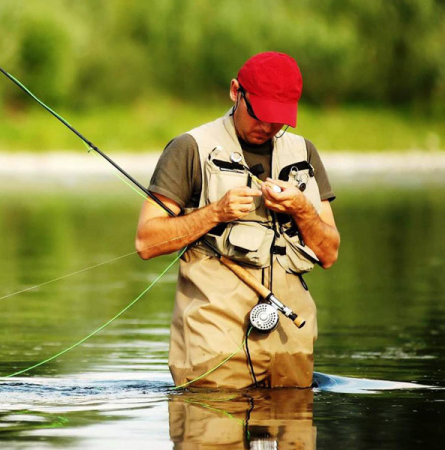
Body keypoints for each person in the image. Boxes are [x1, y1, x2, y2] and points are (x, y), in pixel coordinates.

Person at [135, 51, 340, 389]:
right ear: (235, 92)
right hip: (213, 345)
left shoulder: (305, 153)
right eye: (259, 114)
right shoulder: (189, 148)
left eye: (278, 119)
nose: (267, 127)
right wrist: (215, 212)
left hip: (291, 341)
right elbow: (146, 241)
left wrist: (302, 208)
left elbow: (329, 254)